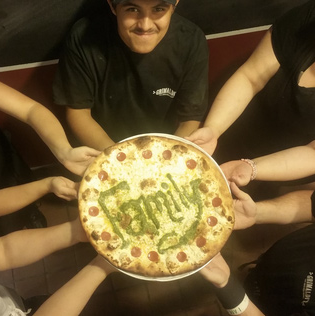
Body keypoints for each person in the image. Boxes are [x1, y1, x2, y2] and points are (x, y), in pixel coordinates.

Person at [53, 0, 209, 151]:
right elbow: (78, 112)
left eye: (158, 9)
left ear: (175, 4)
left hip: (165, 147)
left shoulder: (191, 40)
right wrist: (120, 159)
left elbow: (190, 118)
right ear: (112, 6)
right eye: (132, 9)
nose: (145, 25)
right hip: (102, 147)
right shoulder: (83, 37)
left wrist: (166, 160)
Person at [187, 0, 315, 162]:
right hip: (236, 131)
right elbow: (251, 77)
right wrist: (214, 129)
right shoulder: (307, 17)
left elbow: (312, 153)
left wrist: (252, 169)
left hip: (285, 167)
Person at [0, 75, 99, 236]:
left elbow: (30, 109)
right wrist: (45, 186)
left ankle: (28, 213)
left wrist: (64, 152)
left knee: (16, 182)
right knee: (3, 231)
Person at [200, 182, 315, 315]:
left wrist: (229, 289)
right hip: (266, 268)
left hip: (269, 309)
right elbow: (311, 205)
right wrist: (257, 214)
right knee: (253, 280)